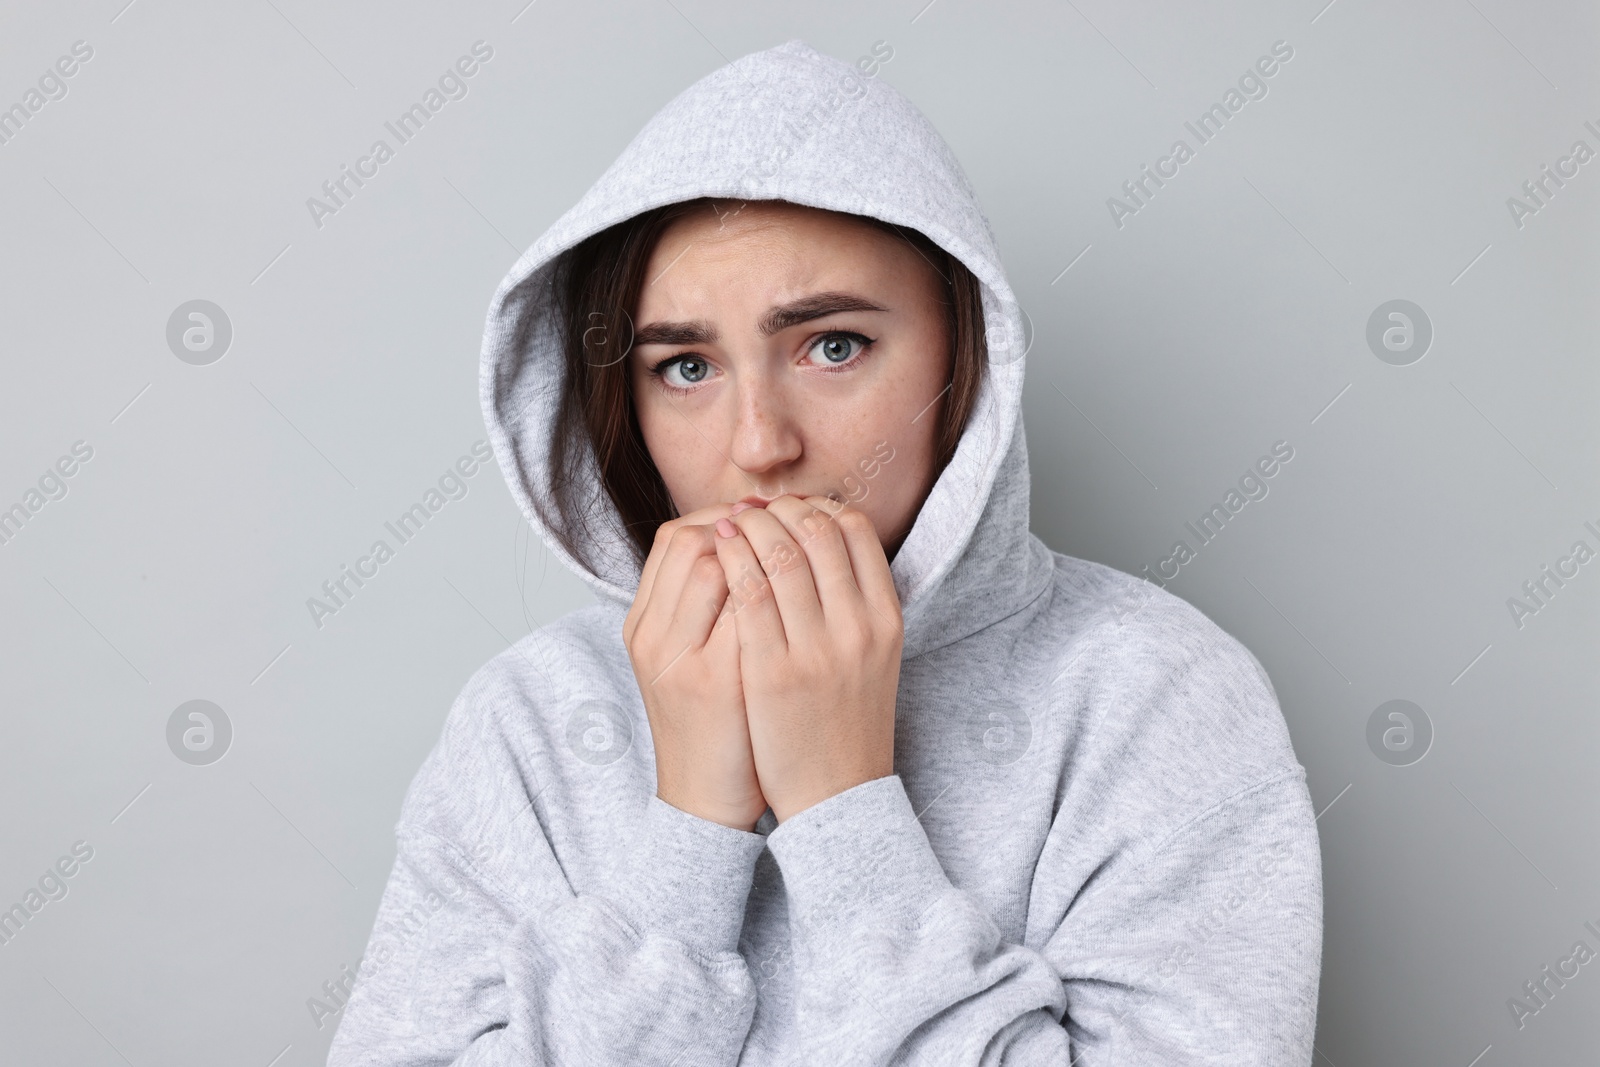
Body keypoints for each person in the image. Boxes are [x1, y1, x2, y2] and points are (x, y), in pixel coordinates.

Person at [326, 40, 1322, 1066]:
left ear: (966, 360)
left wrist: (844, 810)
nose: (759, 443)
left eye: (832, 345)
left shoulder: (1157, 698)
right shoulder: (530, 721)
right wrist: (690, 831)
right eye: (683, 365)